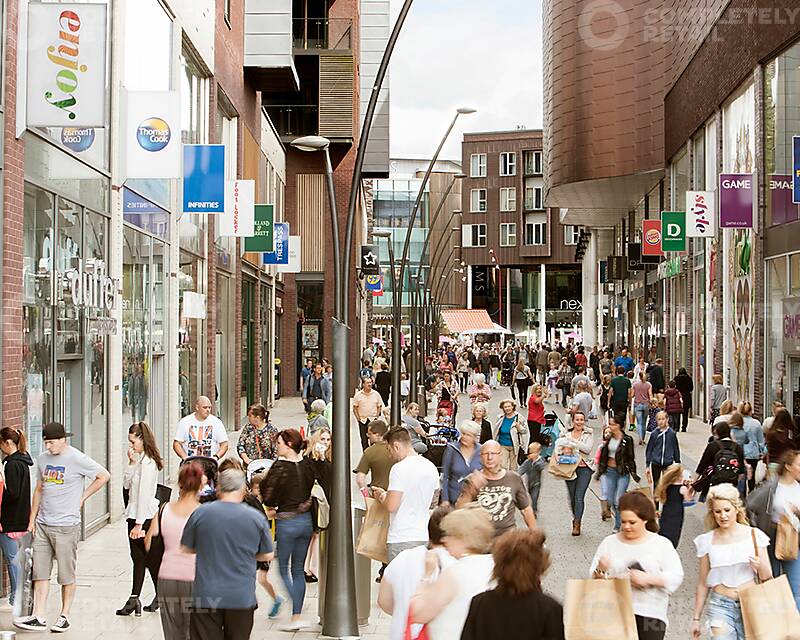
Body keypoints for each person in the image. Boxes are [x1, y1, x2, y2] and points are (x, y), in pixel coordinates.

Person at [14, 423, 110, 633]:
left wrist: (83, 496)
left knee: (66, 574)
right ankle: (39, 615)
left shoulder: (77, 458)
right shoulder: (42, 459)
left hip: (66, 525)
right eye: (46, 442)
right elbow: (39, 489)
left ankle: (64, 615)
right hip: (42, 524)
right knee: (40, 573)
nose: (48, 446)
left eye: (51, 442)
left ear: (63, 439)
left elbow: (104, 475)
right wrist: (32, 520)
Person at [180, 469, 273, 638]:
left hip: (206, 595)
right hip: (241, 596)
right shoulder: (256, 517)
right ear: (243, 489)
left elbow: (186, 548)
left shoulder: (201, 513)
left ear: (218, 488)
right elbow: (267, 554)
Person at [590, 492, 684, 640]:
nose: (627, 526)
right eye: (623, 521)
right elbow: (594, 580)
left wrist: (648, 579)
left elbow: (676, 576)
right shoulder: (609, 542)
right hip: (615, 612)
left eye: (632, 522)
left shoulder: (661, 544)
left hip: (650, 614)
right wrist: (600, 569)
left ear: (645, 520)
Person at [691, 483, 772, 640]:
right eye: (718, 511)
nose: (723, 516)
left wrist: (759, 566)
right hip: (720, 606)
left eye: (727, 510)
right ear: (712, 514)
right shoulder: (706, 541)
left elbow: (767, 576)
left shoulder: (754, 535)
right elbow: (702, 582)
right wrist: (696, 618)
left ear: (737, 509)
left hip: (752, 605)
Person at [408, 506, 495, 640]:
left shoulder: (454, 574)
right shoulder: (495, 567)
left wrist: (426, 576)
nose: (444, 540)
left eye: (450, 535)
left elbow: (417, 613)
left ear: (464, 539)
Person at [259, 429, 316, 631]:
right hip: (306, 521)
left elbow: (268, 497)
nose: (277, 447)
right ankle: (296, 616)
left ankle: (296, 609)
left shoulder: (280, 467)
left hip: (287, 522)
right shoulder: (308, 465)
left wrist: (266, 479)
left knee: (283, 568)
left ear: (289, 445)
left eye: (280, 443)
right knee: (298, 569)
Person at [377, 505, 455, 640]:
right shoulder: (455, 564)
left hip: (402, 633)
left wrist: (402, 612)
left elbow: (383, 601)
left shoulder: (403, 557)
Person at [146, 462, 202, 640]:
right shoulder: (204, 513)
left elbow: (148, 542)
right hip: (195, 579)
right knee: (194, 631)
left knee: (172, 633)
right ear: (201, 485)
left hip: (167, 578)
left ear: (179, 484)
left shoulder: (164, 509)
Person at [372, 427, 439, 563]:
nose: (390, 455)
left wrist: (382, 496)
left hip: (401, 536)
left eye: (389, 450)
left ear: (396, 446)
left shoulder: (399, 468)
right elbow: (433, 502)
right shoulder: (431, 467)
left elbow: (392, 506)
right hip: (423, 535)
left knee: (399, 583)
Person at [117, 422, 164, 617]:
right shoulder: (139, 460)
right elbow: (127, 485)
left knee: (143, 558)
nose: (131, 445)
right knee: (143, 558)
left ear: (142, 439)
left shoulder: (149, 463)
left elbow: (144, 494)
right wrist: (130, 462)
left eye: (132, 441)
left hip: (143, 517)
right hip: (134, 513)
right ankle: (148, 596)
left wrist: (138, 524)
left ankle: (135, 598)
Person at [746, 450, 800, 605]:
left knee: (796, 587)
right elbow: (749, 506)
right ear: (789, 466)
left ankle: (796, 625)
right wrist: (756, 531)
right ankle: (774, 621)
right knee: (771, 583)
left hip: (793, 538)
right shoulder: (770, 486)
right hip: (770, 537)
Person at [456, 440, 537, 538]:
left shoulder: (513, 478)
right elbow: (459, 511)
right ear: (480, 457)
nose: (490, 457)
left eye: (493, 453)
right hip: (481, 540)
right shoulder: (472, 479)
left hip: (507, 541)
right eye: (486, 454)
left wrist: (536, 537)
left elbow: (526, 510)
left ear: (500, 455)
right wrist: (471, 490)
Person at [0, 428, 32, 614]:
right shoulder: (23, 461)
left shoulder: (12, 465)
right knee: (17, 561)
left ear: (8, 443)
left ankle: (15, 599)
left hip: (10, 521)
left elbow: (12, 494)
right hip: (20, 519)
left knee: (13, 561)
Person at [595, 414, 639, 532]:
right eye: (610, 423)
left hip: (622, 472)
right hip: (609, 471)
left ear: (619, 425)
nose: (610, 426)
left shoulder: (627, 440)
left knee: (617, 500)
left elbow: (630, 457)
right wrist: (599, 472)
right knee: (610, 500)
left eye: (613, 424)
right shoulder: (609, 439)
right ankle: (622, 518)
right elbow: (603, 456)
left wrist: (633, 472)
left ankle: (618, 525)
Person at [554, 411, 594, 536]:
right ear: (573, 421)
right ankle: (575, 516)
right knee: (572, 497)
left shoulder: (588, 434)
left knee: (579, 497)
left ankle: (577, 523)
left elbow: (587, 449)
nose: (579, 422)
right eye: (577, 420)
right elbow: (558, 448)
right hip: (569, 468)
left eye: (582, 420)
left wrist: (571, 441)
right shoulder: (565, 434)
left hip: (584, 468)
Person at [304, 428, 331, 584]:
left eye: (328, 439)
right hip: (314, 501)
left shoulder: (326, 457)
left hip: (321, 500)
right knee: (313, 535)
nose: (325, 443)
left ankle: (309, 568)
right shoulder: (312, 458)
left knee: (315, 535)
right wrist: (320, 459)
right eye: (323, 439)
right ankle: (307, 568)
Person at [695, 422, 745, 495]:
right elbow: (741, 473)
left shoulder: (712, 446)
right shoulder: (737, 448)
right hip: (731, 488)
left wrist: (693, 484)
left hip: (713, 486)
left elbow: (701, 468)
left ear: (717, 433)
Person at [173, 396, 229, 461]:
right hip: (190, 464)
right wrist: (185, 457)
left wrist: (216, 457)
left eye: (209, 407)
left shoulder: (216, 422)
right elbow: (177, 444)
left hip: (209, 464)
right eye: (205, 407)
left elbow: (225, 444)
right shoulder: (185, 422)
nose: (208, 410)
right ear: (197, 407)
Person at [440, 421, 482, 506]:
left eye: (468, 435)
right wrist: (445, 499)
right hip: (453, 499)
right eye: (463, 434)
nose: (464, 437)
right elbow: (445, 476)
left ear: (474, 437)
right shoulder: (451, 449)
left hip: (474, 501)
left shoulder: (481, 451)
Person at [655, 463, 694, 548]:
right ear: (680, 476)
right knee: (674, 533)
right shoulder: (682, 488)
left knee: (664, 530)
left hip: (666, 512)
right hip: (676, 514)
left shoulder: (666, 486)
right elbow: (689, 499)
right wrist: (690, 487)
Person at [645, 411, 681, 499]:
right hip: (656, 463)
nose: (661, 421)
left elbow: (676, 448)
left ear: (667, 419)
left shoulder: (671, 434)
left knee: (667, 486)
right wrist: (647, 464)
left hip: (668, 463)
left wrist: (678, 462)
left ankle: (666, 507)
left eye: (663, 419)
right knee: (656, 485)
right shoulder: (654, 434)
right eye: (659, 419)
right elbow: (649, 449)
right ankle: (656, 508)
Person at [354, 419, 394, 494]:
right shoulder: (396, 448)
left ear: (377, 435)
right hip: (396, 495)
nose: (368, 436)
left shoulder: (369, 452)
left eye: (369, 434)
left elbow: (360, 479)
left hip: (377, 494)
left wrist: (367, 496)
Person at [493, 399, 529, 471]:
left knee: (513, 467)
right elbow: (496, 431)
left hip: (515, 446)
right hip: (502, 445)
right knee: (503, 466)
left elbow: (525, 431)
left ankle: (512, 481)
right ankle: (503, 480)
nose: (507, 408)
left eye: (509, 406)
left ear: (513, 407)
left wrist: (519, 427)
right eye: (505, 407)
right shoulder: (500, 418)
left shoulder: (519, 417)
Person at [738, 402, 765, 493]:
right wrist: (761, 451)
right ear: (751, 411)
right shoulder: (756, 423)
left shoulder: (738, 422)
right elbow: (760, 440)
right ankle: (751, 494)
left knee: (741, 476)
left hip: (740, 453)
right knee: (752, 477)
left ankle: (742, 496)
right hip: (753, 453)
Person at [353, 377, 385, 451]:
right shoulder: (358, 395)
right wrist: (358, 418)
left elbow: (379, 406)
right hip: (363, 419)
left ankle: (373, 452)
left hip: (373, 420)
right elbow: (355, 407)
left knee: (374, 438)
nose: (369, 384)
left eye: (370, 382)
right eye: (367, 383)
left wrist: (377, 416)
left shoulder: (376, 394)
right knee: (364, 439)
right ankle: (366, 453)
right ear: (363, 384)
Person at [518, 442, 547, 516]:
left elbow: (541, 467)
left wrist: (535, 462)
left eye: (534, 452)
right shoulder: (528, 461)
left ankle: (533, 510)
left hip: (537, 483)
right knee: (530, 496)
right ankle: (533, 507)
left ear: (538, 452)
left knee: (534, 497)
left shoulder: (540, 460)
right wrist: (517, 475)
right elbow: (522, 469)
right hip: (529, 482)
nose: (532, 454)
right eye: (531, 452)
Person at [766, 409, 798, 474]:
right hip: (786, 464)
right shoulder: (790, 433)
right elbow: (793, 447)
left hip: (773, 464)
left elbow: (768, 449)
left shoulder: (771, 433)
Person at [632, 372, 653, 445]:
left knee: (639, 422)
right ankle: (643, 438)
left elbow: (632, 395)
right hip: (646, 404)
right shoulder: (649, 385)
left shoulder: (635, 384)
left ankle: (640, 438)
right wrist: (651, 402)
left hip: (637, 404)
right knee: (644, 422)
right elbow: (650, 395)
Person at [673, 368, 693, 432]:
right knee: (685, 413)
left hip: (678, 397)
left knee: (677, 413)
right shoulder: (689, 378)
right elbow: (691, 388)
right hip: (686, 397)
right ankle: (684, 427)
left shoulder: (676, 378)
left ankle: (677, 427)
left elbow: (674, 387)